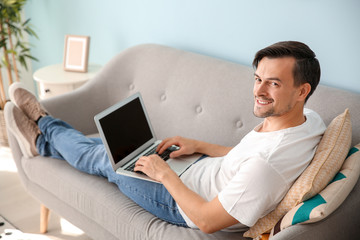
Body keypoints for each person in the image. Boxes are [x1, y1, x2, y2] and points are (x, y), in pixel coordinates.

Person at [7, 41, 326, 233]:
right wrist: (198, 145)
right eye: (258, 79)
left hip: (182, 203)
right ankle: (47, 139)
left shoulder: (266, 167)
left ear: (302, 90)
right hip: (197, 170)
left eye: (273, 83)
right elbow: (245, 156)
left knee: (104, 159)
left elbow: (206, 220)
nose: (258, 91)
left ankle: (43, 129)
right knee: (119, 148)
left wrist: (163, 175)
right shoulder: (308, 122)